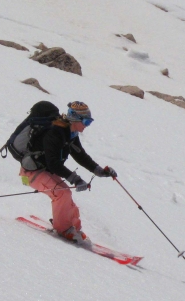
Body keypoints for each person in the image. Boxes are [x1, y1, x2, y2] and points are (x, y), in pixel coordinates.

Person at [19, 101, 117, 244]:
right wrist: (75, 179)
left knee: (66, 196)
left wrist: (100, 171)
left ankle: (74, 228)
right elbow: (53, 163)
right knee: (62, 193)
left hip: (43, 171)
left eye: (89, 122)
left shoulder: (70, 133)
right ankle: (64, 229)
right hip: (29, 174)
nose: (87, 125)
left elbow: (80, 155)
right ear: (75, 119)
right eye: (86, 121)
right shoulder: (54, 133)